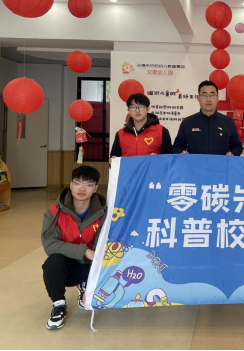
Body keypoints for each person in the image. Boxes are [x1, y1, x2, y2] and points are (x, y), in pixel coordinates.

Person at [41, 166, 107, 330]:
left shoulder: (104, 213)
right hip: (69, 267)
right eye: (78, 183)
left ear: (95, 188)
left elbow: (106, 245)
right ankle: (59, 305)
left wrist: (92, 283)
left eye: (88, 185)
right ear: (71, 185)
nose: (82, 189)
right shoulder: (54, 212)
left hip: (93, 266)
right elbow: (50, 244)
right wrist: (84, 251)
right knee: (52, 263)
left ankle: (86, 284)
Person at [173, 81, 243, 156]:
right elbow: (177, 146)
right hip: (194, 163)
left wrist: (232, 153)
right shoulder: (187, 122)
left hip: (221, 163)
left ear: (217, 98)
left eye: (212, 95)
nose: (208, 99)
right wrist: (182, 152)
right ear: (198, 98)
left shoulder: (228, 122)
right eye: (204, 95)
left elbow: (237, 146)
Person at [110, 93, 173, 164]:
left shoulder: (161, 131)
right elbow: (114, 158)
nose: (137, 110)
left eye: (141, 107)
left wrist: (159, 159)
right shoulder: (121, 133)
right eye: (133, 107)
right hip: (128, 171)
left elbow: (169, 159)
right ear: (129, 110)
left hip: (153, 170)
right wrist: (112, 161)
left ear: (148, 109)